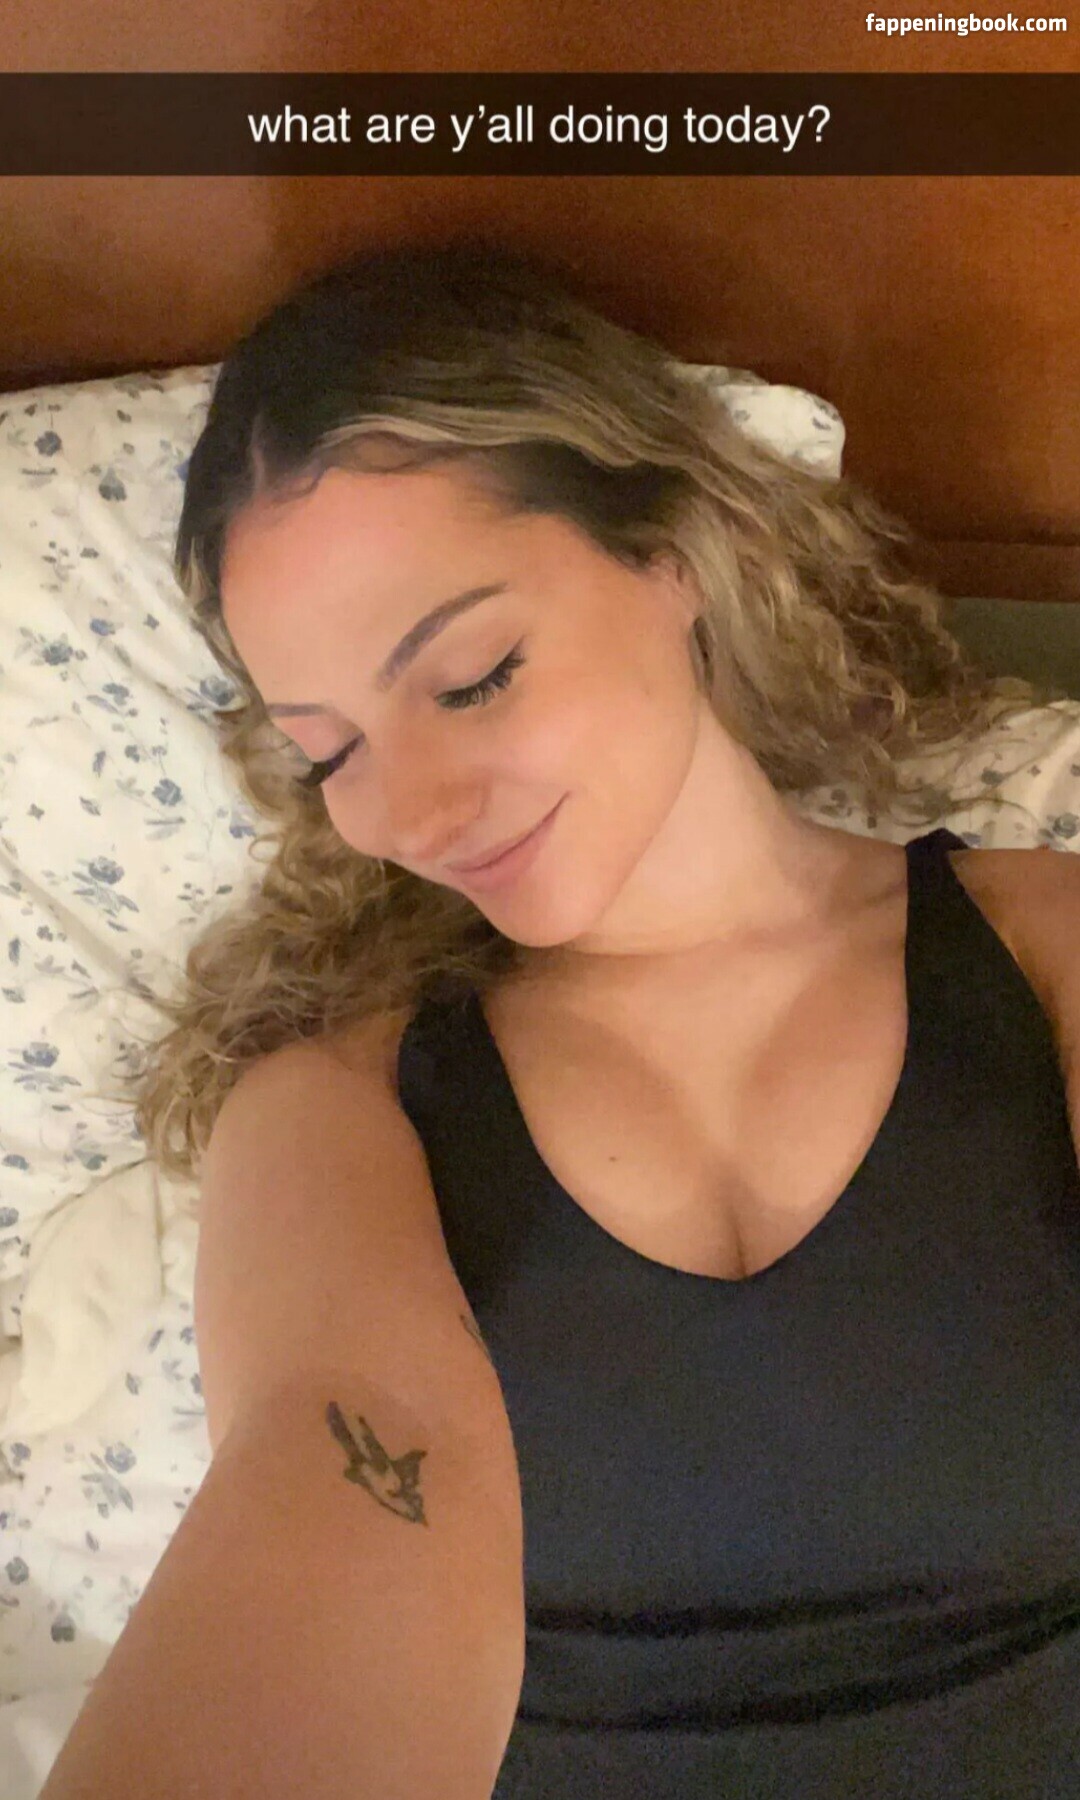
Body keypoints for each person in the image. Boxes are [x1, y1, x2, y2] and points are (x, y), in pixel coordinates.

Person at [40, 237, 1080, 1800]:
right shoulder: (338, 1112)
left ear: (669, 554)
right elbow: (342, 1457)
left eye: (471, 677)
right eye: (330, 753)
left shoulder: (1046, 956)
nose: (409, 811)